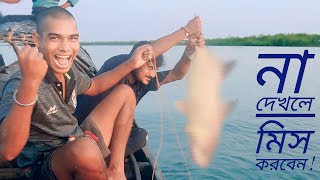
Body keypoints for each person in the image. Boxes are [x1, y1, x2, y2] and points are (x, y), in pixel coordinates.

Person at [0, 7, 153, 179]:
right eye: (55, 38)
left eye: (72, 39)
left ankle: (115, 170)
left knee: (125, 92)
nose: (65, 48)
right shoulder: (19, 83)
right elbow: (7, 152)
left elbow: (95, 85)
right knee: (85, 150)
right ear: (37, 40)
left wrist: (132, 63)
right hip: (42, 164)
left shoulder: (69, 72)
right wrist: (30, 84)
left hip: (74, 137)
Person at [75, 17, 205, 156]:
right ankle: (104, 158)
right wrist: (186, 31)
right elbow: (148, 52)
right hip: (85, 126)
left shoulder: (145, 81)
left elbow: (177, 74)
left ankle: (109, 158)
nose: (152, 73)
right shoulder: (118, 64)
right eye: (149, 67)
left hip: (108, 130)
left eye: (155, 68)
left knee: (141, 136)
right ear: (137, 60)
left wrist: (190, 49)